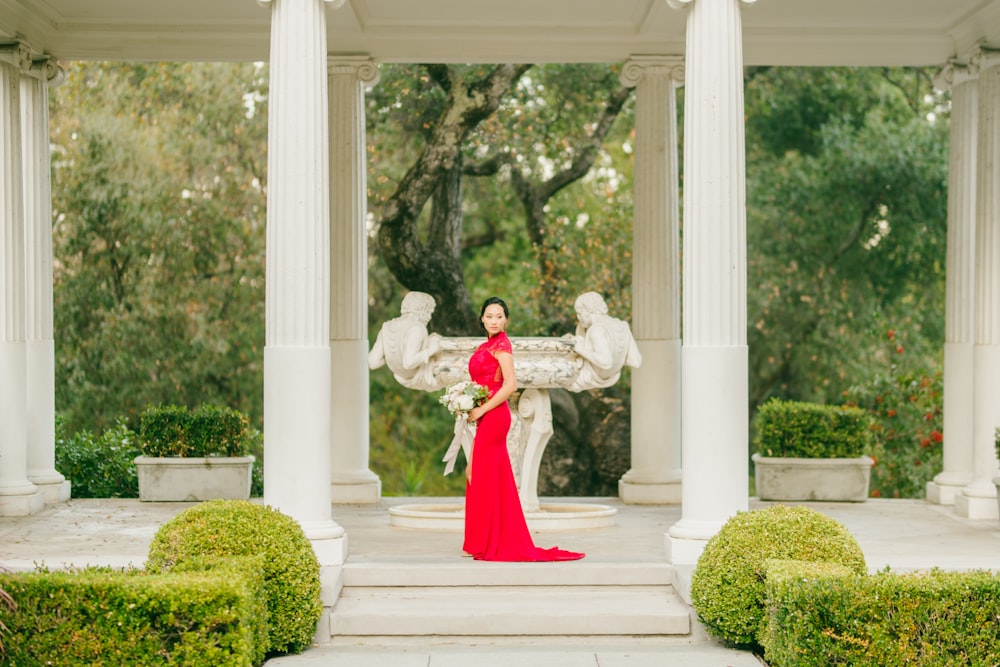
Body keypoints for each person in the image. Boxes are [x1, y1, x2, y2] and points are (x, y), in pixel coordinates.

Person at [463, 296, 584, 562]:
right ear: (482, 319)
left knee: (484, 474)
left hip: (495, 416)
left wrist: (481, 409)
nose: (494, 320)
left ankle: (494, 542)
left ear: (505, 320)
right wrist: (468, 403)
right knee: (477, 473)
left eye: (499, 316)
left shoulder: (502, 346)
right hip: (485, 413)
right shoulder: (486, 345)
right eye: (489, 316)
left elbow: (510, 385)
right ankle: (482, 539)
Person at [565, 291, 642, 392]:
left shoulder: (596, 330)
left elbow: (605, 362)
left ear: (589, 310)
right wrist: (616, 356)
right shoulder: (623, 326)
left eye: (579, 313)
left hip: (587, 377)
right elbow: (635, 361)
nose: (578, 318)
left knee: (548, 371)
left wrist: (580, 349)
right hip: (609, 377)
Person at [367, 291, 443, 391]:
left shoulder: (387, 327)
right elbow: (408, 363)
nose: (429, 317)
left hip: (401, 375)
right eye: (429, 312)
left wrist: (391, 355)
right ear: (423, 310)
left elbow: (372, 362)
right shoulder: (417, 328)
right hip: (419, 374)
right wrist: (430, 351)